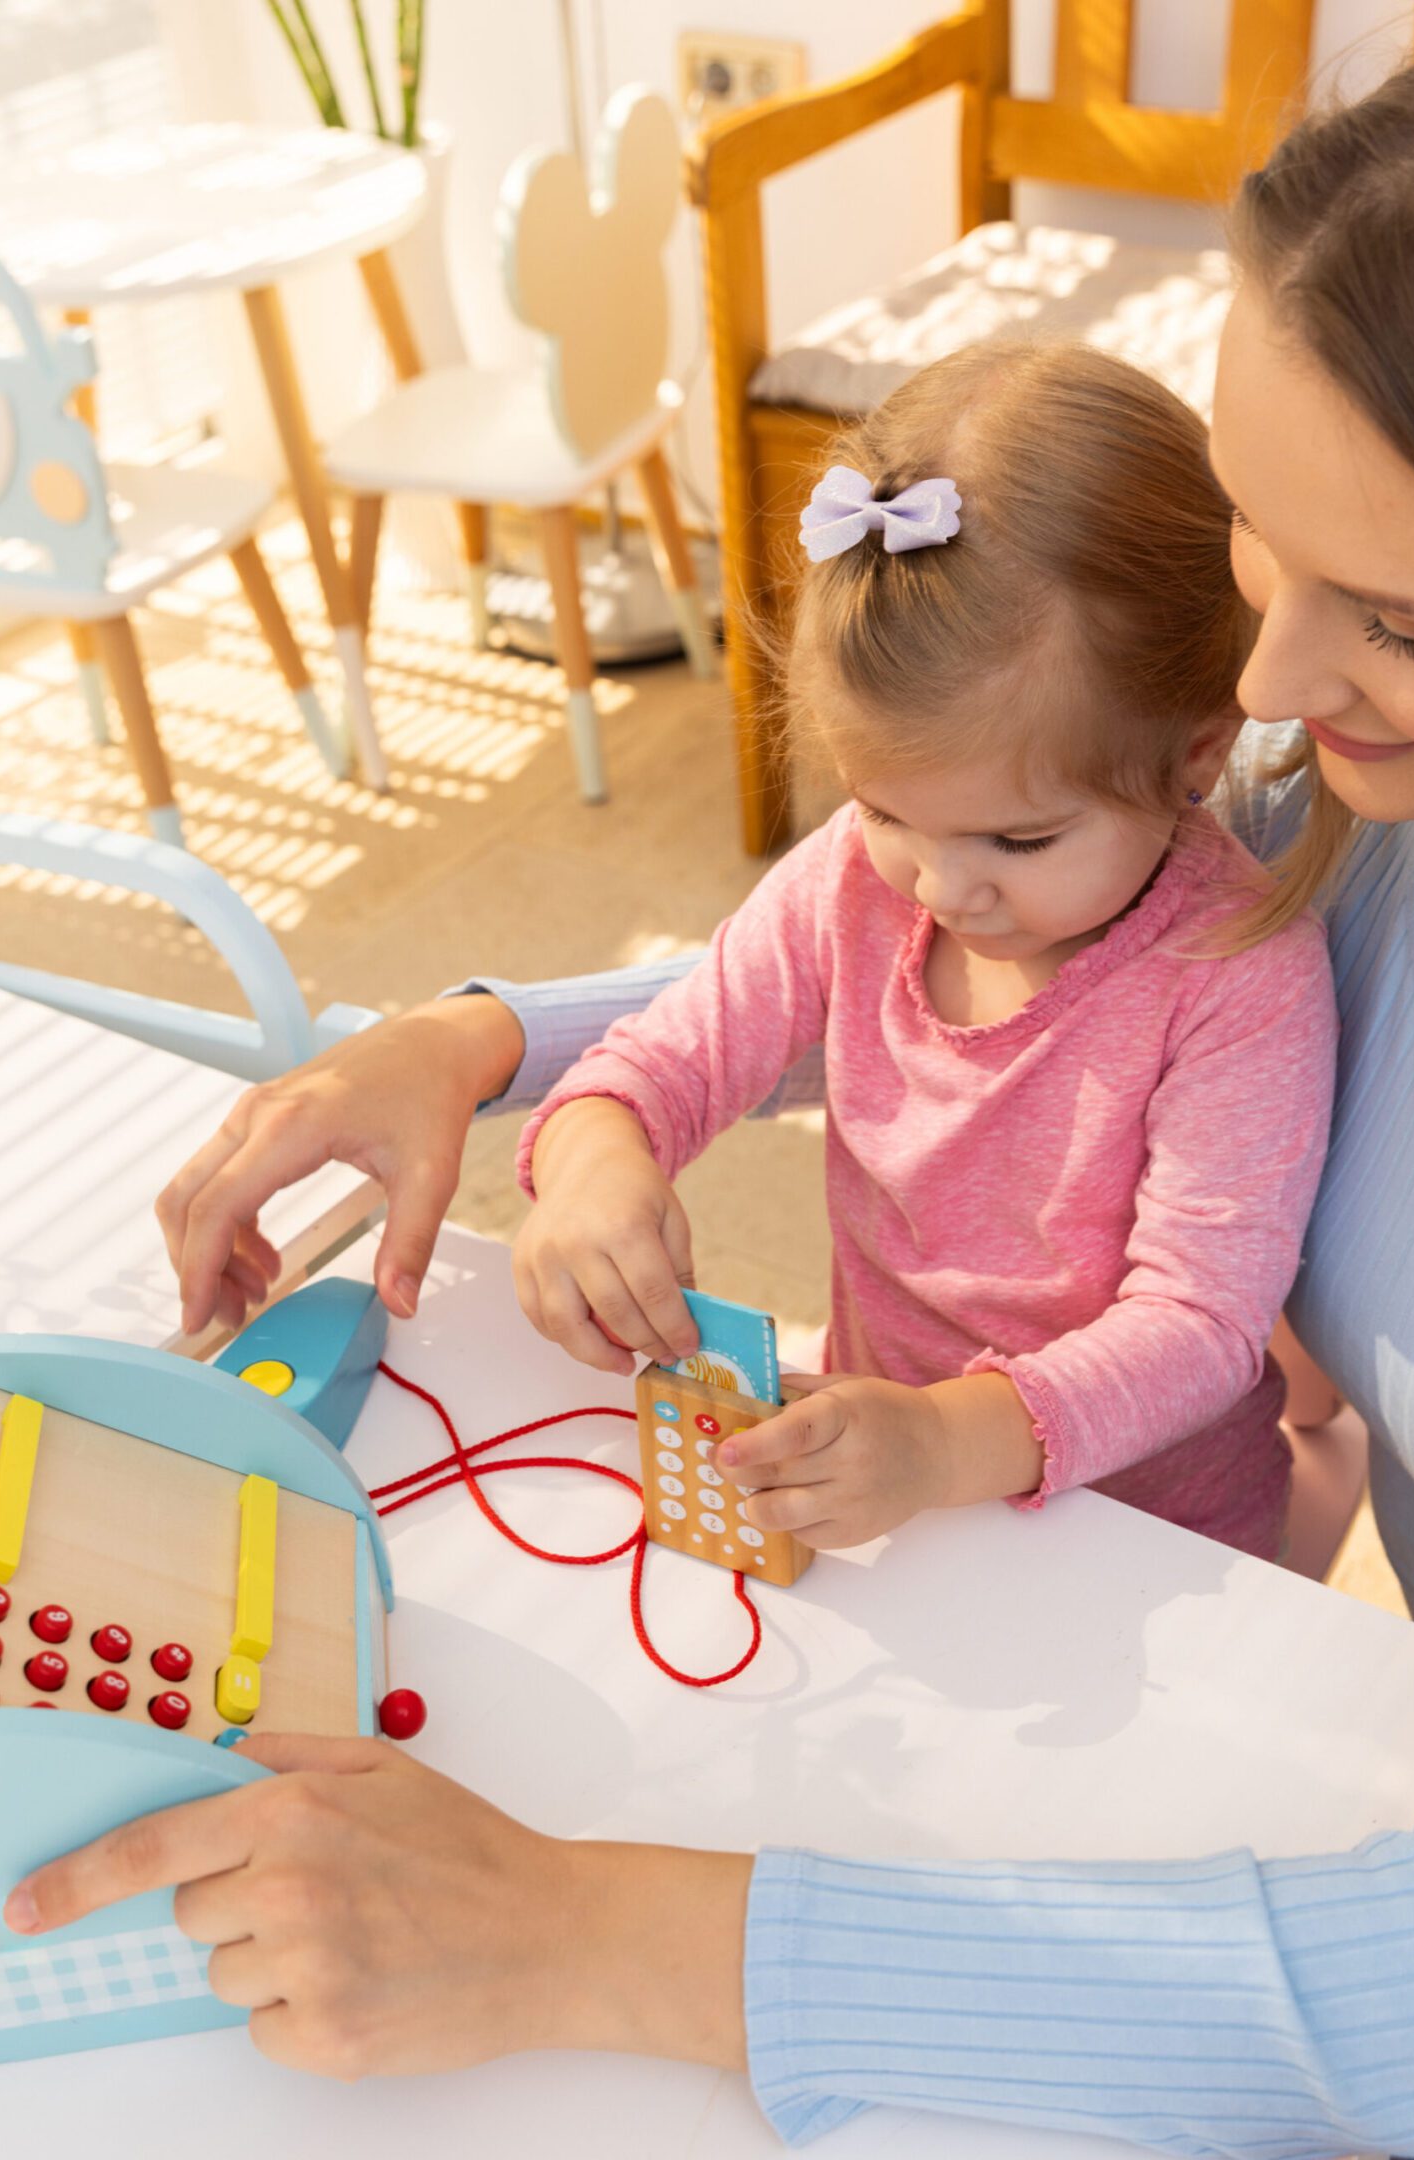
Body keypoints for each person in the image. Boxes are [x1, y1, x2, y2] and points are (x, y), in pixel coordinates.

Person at [28, 6, 1414, 2153]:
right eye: (1258, 539)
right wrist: (472, 1044)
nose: (1258, 681)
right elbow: (882, 938)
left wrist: (587, 1935)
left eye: (1407, 624)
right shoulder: (1332, 810)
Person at [515, 340, 1336, 1559]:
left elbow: (1199, 1327)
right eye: (887, 809)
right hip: (885, 1484)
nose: (944, 886)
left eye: (1018, 836)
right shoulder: (854, 876)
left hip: (1150, 1544)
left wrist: (941, 1444)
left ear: (1196, 754)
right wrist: (590, 1167)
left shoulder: (1238, 973)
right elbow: (662, 1065)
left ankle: (1335, 1469)